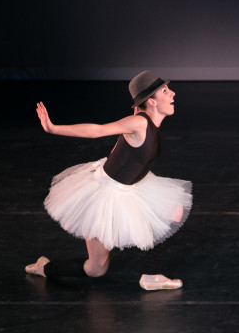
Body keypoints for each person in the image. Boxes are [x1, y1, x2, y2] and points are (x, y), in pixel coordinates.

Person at [25, 70, 192, 290]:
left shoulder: (147, 122)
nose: (172, 93)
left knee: (174, 211)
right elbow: (97, 130)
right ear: (151, 101)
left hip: (131, 189)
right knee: (96, 268)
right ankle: (44, 268)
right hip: (104, 195)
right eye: (164, 90)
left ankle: (151, 275)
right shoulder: (138, 123)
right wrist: (53, 128)